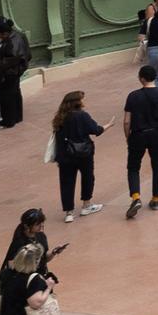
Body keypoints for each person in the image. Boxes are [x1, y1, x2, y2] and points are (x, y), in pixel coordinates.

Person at [124, 60, 158, 216]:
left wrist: (128, 137)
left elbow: (127, 121)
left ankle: (136, 196)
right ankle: (155, 198)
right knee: (157, 165)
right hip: (156, 134)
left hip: (138, 134)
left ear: (141, 79)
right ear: (154, 77)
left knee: (133, 167)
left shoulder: (133, 96)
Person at [51, 89, 102, 218]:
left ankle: (69, 212)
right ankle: (86, 204)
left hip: (65, 155)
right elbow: (95, 130)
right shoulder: (82, 116)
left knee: (66, 182)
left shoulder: (59, 118)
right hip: (83, 154)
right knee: (87, 177)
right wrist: (107, 126)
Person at [0, 15, 30, 129]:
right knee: (14, 94)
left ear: (4, 33)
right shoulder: (18, 36)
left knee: (7, 97)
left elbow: (10, 60)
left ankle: (8, 121)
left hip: (9, 74)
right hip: (15, 72)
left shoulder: (11, 42)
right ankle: (16, 117)